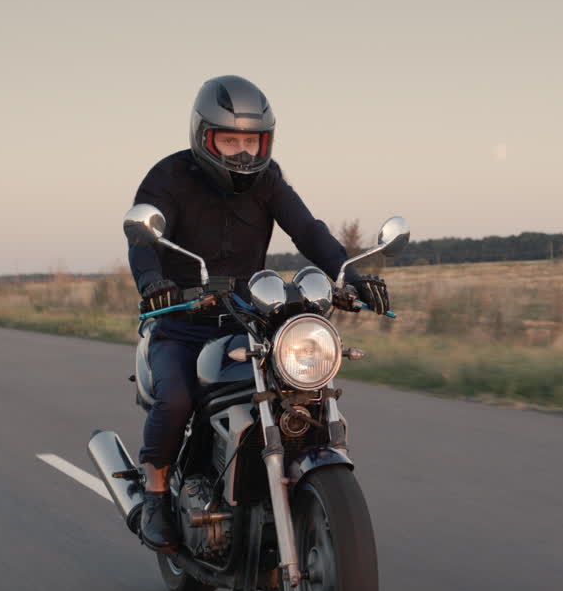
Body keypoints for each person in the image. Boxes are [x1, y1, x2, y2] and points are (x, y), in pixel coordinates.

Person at [127, 75, 390, 551]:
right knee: (177, 399)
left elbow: (308, 231)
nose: (243, 154)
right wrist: (154, 285)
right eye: (230, 141)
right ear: (204, 136)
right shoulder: (168, 177)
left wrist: (349, 277)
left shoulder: (268, 182)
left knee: (297, 388)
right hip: (183, 322)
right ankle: (156, 493)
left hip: (248, 321)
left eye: (253, 142)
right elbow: (142, 240)